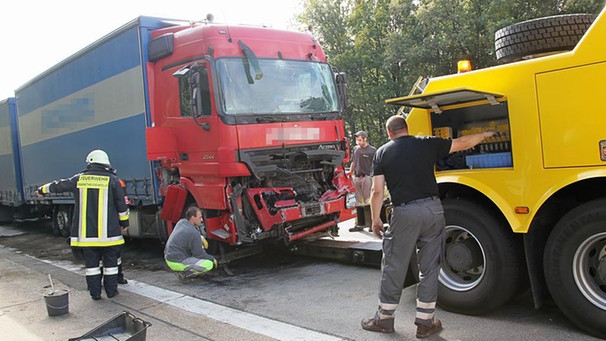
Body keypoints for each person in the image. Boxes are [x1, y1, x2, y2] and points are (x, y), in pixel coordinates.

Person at [361, 115, 495, 338]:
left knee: (394, 264)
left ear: (389, 132)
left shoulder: (382, 152)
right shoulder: (426, 143)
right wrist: (485, 134)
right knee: (430, 267)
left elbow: (377, 191)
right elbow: (462, 143)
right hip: (433, 210)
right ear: (407, 129)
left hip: (404, 213)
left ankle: (384, 319)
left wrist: (375, 220)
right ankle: (425, 323)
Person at [37, 149, 130, 300]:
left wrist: (42, 190)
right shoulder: (113, 180)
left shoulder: (79, 179)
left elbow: (59, 185)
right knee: (111, 265)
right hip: (110, 234)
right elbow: (121, 205)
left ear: (90, 163)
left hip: (87, 236)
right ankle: (112, 292)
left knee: (92, 266)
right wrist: (124, 223)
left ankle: (95, 294)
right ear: (106, 163)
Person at [164, 206, 218, 283]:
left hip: (169, 257)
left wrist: (200, 238)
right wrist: (212, 259)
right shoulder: (193, 232)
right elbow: (199, 254)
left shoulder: (182, 222)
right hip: (177, 261)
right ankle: (185, 274)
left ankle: (185, 270)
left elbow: (187, 235)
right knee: (208, 264)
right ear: (193, 217)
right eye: (200, 217)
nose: (202, 220)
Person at [348, 130, 376, 232]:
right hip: (357, 177)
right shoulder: (356, 149)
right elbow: (353, 162)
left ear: (365, 139)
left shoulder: (372, 150)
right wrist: (350, 174)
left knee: (368, 200)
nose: (358, 142)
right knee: (357, 201)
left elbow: (376, 164)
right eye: (357, 140)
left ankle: (371, 224)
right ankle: (359, 224)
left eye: (360, 140)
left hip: (367, 177)